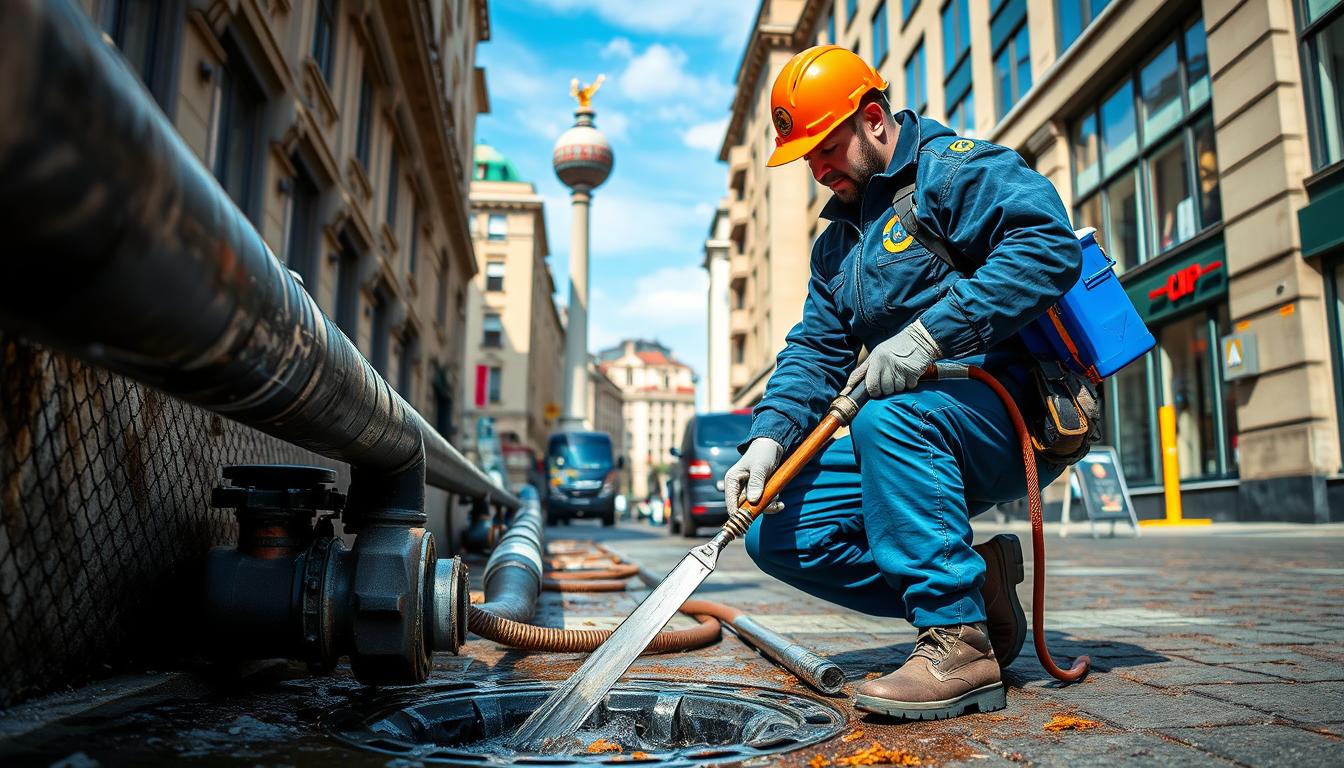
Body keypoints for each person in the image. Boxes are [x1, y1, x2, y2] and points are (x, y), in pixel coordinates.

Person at [723, 45, 1081, 720]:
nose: (817, 168)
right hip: (919, 428)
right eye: (807, 157)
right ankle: (979, 592)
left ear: (875, 119)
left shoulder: (955, 171)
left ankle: (960, 645)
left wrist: (930, 334)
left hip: (1013, 416)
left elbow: (1047, 247)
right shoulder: (837, 249)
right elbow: (813, 354)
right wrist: (766, 442)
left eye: (826, 147)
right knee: (779, 533)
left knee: (887, 415)